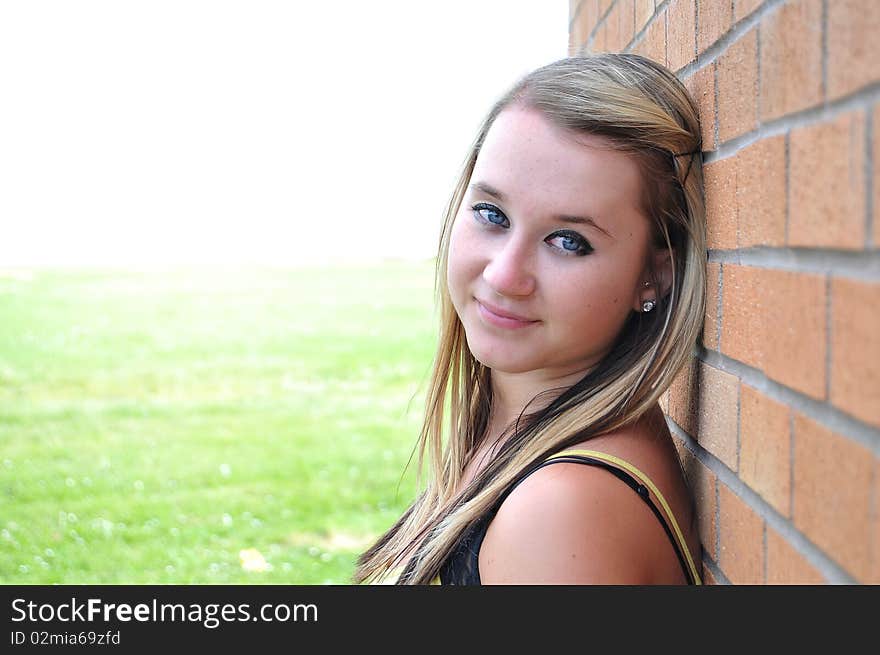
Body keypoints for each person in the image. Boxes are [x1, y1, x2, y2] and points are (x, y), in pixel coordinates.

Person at [354, 53, 706, 585]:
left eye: (568, 241)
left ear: (653, 275)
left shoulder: (562, 511)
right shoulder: (532, 433)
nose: (504, 275)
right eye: (493, 214)